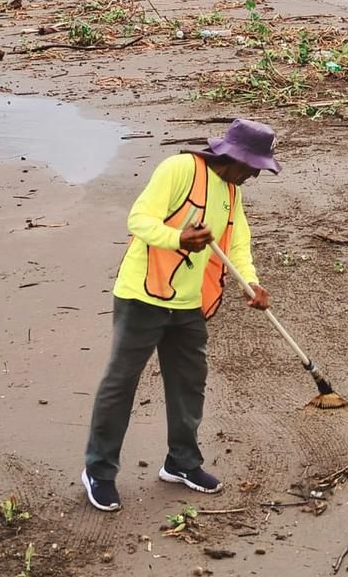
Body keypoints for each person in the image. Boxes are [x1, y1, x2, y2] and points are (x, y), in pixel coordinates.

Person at [82, 119, 278, 513]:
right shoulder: (179, 169)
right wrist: (178, 238)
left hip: (188, 304)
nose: (255, 175)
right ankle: (98, 471)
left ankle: (182, 463)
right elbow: (139, 220)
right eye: (253, 166)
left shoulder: (232, 192)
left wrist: (251, 284)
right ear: (234, 157)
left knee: (189, 382)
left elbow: (237, 245)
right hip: (142, 295)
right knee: (120, 383)